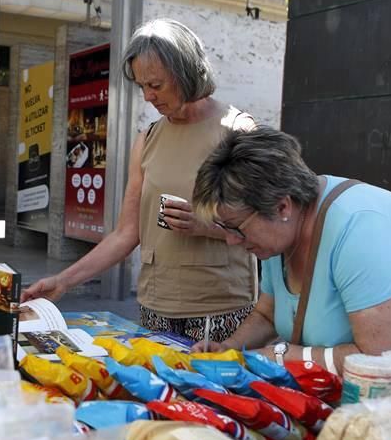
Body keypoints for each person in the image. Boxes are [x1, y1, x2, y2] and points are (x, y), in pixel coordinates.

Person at [22, 18, 258, 343]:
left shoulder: (237, 131)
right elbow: (126, 234)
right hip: (154, 308)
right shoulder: (147, 139)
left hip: (219, 313)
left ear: (186, 72)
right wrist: (64, 280)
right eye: (142, 86)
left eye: (156, 85)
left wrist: (207, 226)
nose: (147, 97)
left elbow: (266, 227)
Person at [189, 126, 391, 366]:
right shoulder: (278, 234)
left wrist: (285, 355)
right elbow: (267, 313)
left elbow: (379, 358)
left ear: (281, 207)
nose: (230, 240)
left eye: (236, 228)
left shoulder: (361, 227)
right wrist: (228, 349)